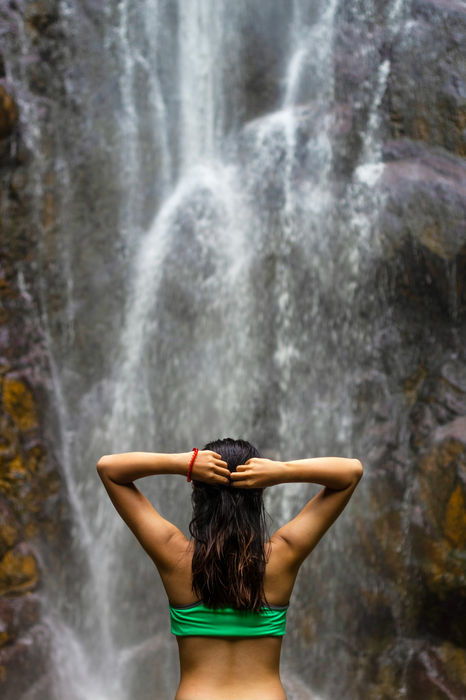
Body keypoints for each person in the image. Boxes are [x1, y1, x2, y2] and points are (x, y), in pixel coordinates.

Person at [97, 437, 363, 700]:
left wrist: (185, 463)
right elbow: (351, 472)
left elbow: (109, 469)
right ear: (259, 493)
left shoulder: (174, 555)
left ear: (198, 495)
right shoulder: (283, 554)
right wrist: (280, 471)